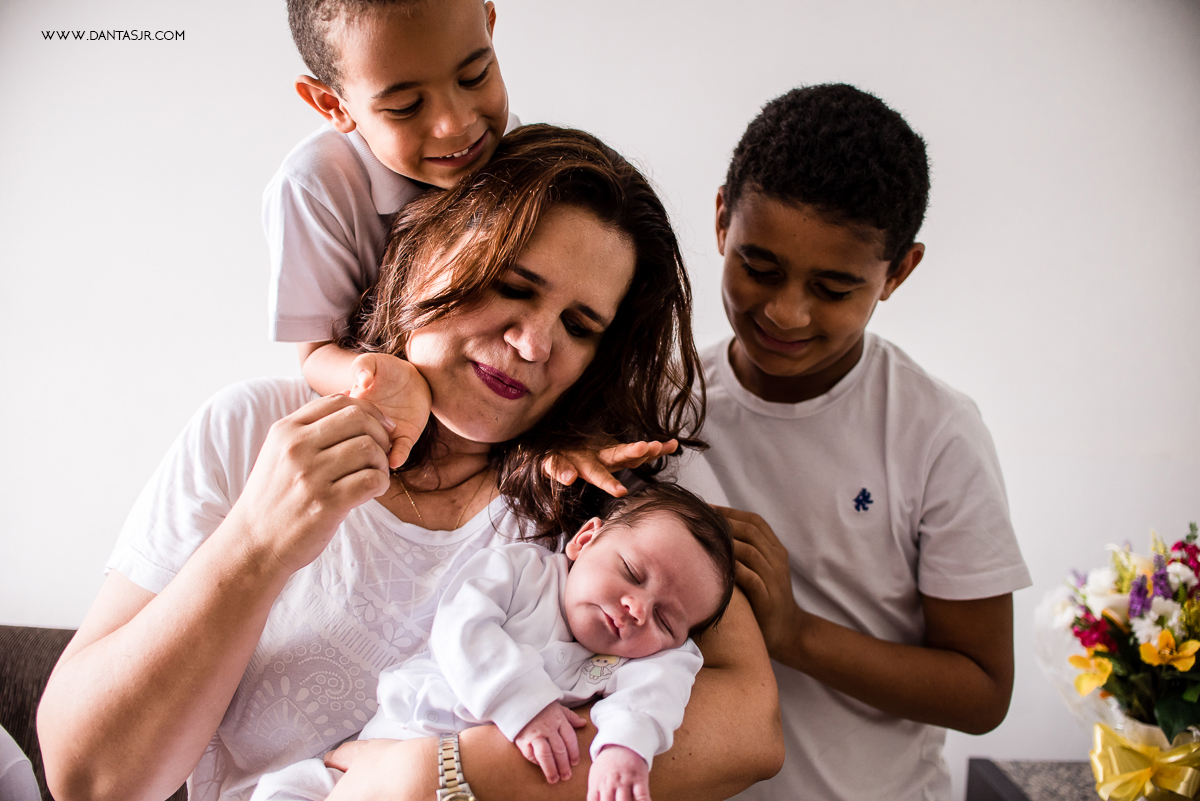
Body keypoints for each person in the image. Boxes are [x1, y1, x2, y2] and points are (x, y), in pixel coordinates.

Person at [38, 125, 782, 801]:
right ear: (426, 246)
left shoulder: (615, 489)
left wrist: (429, 777)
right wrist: (258, 544)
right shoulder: (253, 432)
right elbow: (89, 780)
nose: (532, 345)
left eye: (579, 326)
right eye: (511, 285)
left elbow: (748, 732)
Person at [677, 84, 1033, 800]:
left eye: (834, 288)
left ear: (898, 271)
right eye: (759, 268)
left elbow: (983, 691)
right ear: (721, 220)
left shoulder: (935, 433)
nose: (786, 312)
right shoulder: (664, 398)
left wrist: (795, 632)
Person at [251, 483, 736, 801]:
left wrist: (624, 750)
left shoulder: (655, 658)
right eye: (631, 572)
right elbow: (464, 627)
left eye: (666, 620)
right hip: (388, 742)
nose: (637, 609)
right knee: (288, 791)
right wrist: (525, 704)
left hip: (466, 785)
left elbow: (653, 700)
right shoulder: (522, 571)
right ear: (586, 540)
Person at [266, 0, 520, 470]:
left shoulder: (522, 156)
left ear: (489, 26)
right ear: (332, 104)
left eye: (474, 77)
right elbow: (317, 356)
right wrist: (389, 378)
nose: (457, 123)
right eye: (405, 107)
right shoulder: (318, 184)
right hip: (394, 435)